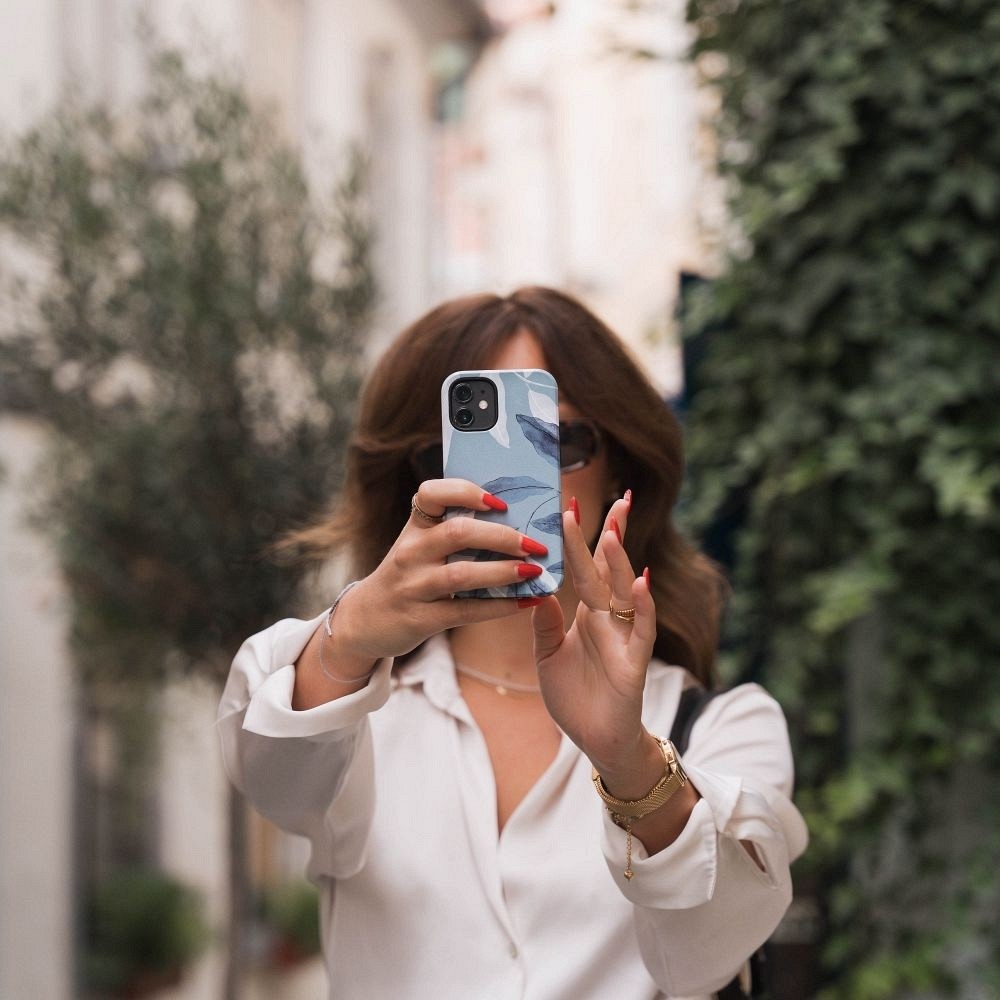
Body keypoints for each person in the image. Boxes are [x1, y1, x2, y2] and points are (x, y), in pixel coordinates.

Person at [217, 287, 808, 1000]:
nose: (513, 478)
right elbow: (270, 772)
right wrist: (349, 637)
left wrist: (630, 763)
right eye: (462, 447)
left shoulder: (725, 727)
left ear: (620, 466)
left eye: (558, 440)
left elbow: (710, 950)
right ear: (416, 482)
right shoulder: (348, 709)